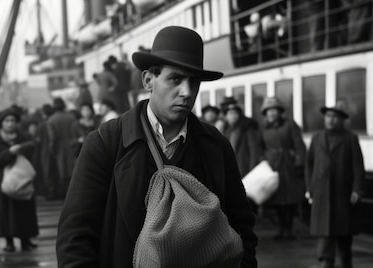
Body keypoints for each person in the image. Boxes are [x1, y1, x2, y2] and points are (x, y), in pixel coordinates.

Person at [57, 26, 257, 267]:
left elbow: (241, 226)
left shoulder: (215, 145)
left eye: (194, 82)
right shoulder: (105, 142)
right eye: (175, 79)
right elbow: (76, 236)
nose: (187, 91)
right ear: (148, 80)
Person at [305, 102, 364, 268]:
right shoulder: (317, 138)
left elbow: (358, 167)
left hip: (343, 195)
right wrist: (309, 187)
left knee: (344, 239)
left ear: (342, 120)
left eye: (335, 117)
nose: (331, 120)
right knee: (324, 236)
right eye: (328, 116)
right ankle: (326, 262)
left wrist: (356, 190)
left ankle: (345, 263)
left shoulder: (350, 138)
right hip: (322, 194)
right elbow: (309, 164)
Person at [0, 108, 40, 252]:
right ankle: (9, 241)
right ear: (1, 123)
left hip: (22, 178)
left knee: (25, 208)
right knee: (6, 210)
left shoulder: (24, 137)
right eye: (7, 121)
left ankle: (25, 240)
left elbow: (32, 147)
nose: (10, 124)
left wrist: (19, 148)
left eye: (13, 121)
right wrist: (9, 152)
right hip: (4, 179)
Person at [258, 97, 306, 240]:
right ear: (265, 114)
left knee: (290, 199)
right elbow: (259, 147)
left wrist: (299, 163)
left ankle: (289, 228)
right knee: (277, 199)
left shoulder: (290, 125)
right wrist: (263, 161)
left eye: (274, 110)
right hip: (272, 167)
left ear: (279, 112)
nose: (271, 114)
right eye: (268, 111)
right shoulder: (263, 128)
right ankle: (281, 228)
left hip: (289, 165)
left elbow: (300, 145)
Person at [45, 98, 78, 199]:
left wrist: (52, 150)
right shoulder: (71, 117)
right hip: (72, 145)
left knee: (62, 171)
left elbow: (52, 138)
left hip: (59, 147)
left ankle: (66, 195)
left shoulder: (51, 120)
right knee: (73, 169)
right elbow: (76, 131)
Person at [222, 102, 261, 177]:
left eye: (235, 113)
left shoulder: (247, 128)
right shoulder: (227, 130)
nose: (233, 116)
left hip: (244, 166)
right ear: (226, 116)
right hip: (231, 167)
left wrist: (252, 169)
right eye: (230, 113)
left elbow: (254, 150)